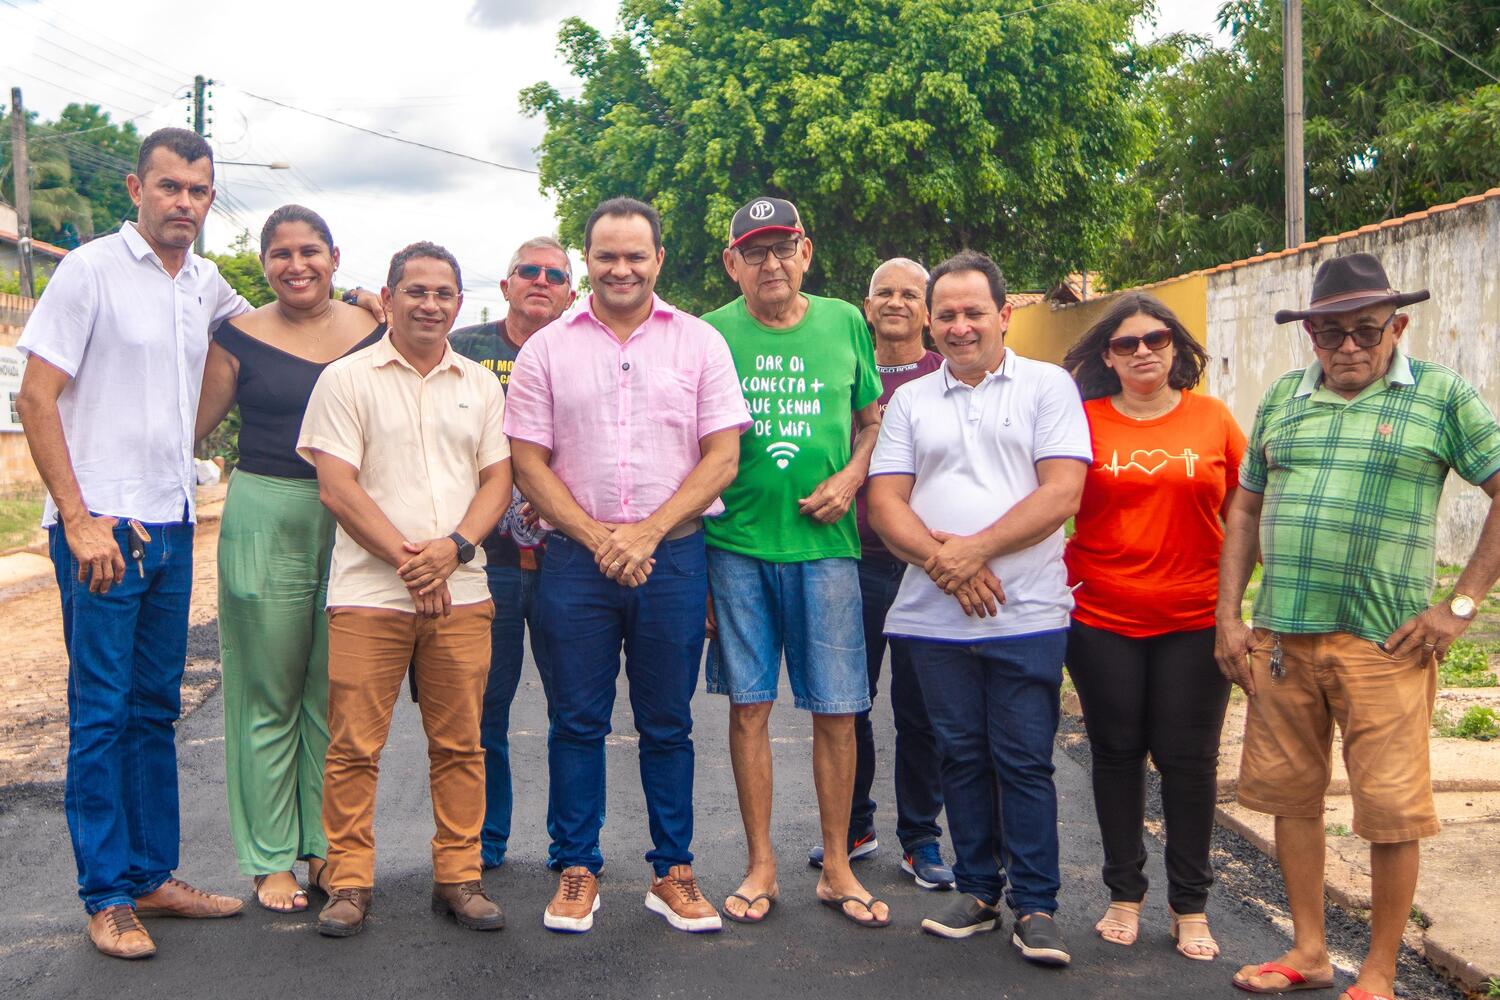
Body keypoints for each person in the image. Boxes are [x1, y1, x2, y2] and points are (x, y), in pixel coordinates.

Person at [1217, 253, 1500, 1000]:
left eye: (1365, 332)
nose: (1347, 348)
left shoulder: (1441, 396)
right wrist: (1228, 615)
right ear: (1309, 333)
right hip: (1281, 641)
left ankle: (1377, 972)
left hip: (1386, 646)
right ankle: (1309, 951)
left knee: (1389, 810)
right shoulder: (1283, 396)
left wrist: (1460, 604)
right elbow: (1244, 507)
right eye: (1329, 333)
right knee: (1289, 798)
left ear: (1397, 326)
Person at [15, 127, 253, 960]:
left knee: (155, 710)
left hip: (173, 521)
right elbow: (36, 396)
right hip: (104, 531)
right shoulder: (90, 272)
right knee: (103, 715)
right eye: (169, 187)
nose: (184, 202)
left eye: (198, 190)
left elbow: (272, 334)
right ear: (135, 188)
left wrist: (363, 308)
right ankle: (107, 894)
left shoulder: (207, 285)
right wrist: (76, 518)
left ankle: (153, 875)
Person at [505, 197, 749, 934]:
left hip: (671, 557)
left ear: (658, 260)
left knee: (667, 722)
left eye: (634, 255)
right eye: (606, 255)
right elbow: (527, 461)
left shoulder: (700, 343)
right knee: (576, 720)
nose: (620, 268)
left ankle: (672, 871)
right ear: (588, 261)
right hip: (575, 564)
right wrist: (598, 536)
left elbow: (723, 456)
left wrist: (646, 532)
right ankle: (576, 867)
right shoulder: (548, 348)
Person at [867, 250, 1091, 966]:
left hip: (1026, 612)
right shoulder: (909, 401)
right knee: (959, 755)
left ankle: (1037, 905)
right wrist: (945, 563)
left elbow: (1062, 493)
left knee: (1023, 760)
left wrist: (974, 551)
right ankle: (977, 891)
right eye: (948, 315)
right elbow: (883, 505)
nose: (960, 327)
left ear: (1005, 313)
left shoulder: (1048, 388)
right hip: (931, 621)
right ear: (931, 323)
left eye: (974, 313)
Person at [297, 242, 512, 938]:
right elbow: (337, 485)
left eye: (443, 292)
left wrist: (452, 551)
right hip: (369, 593)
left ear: (457, 302)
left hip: (463, 590)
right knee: (355, 746)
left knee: (461, 745)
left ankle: (459, 876)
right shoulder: (346, 379)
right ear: (388, 299)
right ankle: (349, 880)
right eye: (415, 291)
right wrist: (407, 560)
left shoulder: (479, 385)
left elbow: (498, 482)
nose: (429, 303)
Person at [701, 196, 889, 927]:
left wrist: (851, 477)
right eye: (754, 251)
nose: (770, 263)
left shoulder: (845, 321)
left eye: (783, 249)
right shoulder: (709, 333)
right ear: (732, 263)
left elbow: (872, 420)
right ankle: (761, 865)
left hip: (828, 554)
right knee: (749, 709)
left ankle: (838, 866)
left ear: (806, 252)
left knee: (839, 712)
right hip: (736, 550)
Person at [196, 205, 384, 913]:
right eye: (280, 254)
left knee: (334, 694)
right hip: (265, 512)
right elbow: (193, 426)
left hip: (355, 514)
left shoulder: (375, 329)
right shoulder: (235, 335)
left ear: (335, 257)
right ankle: (270, 855)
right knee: (268, 691)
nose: (296, 265)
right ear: (266, 262)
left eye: (310, 251)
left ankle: (328, 848)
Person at [1060, 292, 1245, 959]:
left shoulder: (1214, 419)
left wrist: (1243, 609)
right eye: (1125, 343)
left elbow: (1245, 519)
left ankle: (1190, 905)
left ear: (1177, 347)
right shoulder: (1082, 421)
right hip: (1102, 614)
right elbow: (1050, 501)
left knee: (1188, 762)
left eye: (1156, 339)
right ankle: (1123, 894)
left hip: (1196, 617)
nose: (1142, 351)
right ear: (1106, 356)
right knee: (1115, 753)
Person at [806, 257, 952, 891]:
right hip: (852, 558)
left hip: (924, 565)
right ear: (866, 307)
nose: (895, 303)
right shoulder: (845, 370)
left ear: (926, 310)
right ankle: (854, 826)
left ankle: (921, 839)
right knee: (849, 704)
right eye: (883, 293)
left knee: (920, 709)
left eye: (909, 295)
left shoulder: (947, 374)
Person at [448, 236, 578, 872]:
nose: (541, 281)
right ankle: (485, 840)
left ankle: (571, 844)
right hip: (483, 562)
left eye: (555, 274)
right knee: (484, 712)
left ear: (571, 293)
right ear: (505, 286)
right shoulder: (465, 348)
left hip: (567, 562)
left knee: (571, 711)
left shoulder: (582, 351)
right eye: (528, 271)